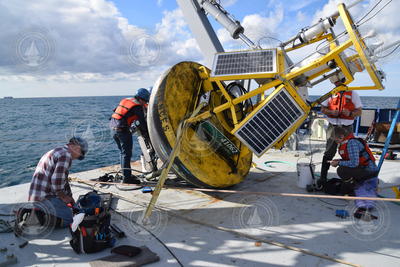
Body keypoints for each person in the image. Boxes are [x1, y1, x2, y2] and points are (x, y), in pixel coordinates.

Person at [28, 137, 88, 227]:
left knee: (69, 209)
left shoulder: (58, 151)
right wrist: (63, 197)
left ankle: (37, 212)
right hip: (43, 198)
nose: (76, 159)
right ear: (77, 148)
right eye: (79, 156)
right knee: (69, 218)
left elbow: (63, 181)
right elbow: (56, 182)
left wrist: (70, 198)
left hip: (36, 196)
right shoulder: (66, 156)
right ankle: (36, 219)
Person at [317, 88, 362, 188]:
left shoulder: (353, 93)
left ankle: (350, 179)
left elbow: (359, 112)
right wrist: (331, 112)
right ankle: (323, 177)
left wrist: (350, 114)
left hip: (347, 127)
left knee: (350, 152)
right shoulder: (330, 93)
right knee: (329, 152)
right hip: (332, 126)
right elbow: (322, 109)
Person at [330, 126, 379, 218]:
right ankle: (356, 188)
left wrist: (339, 163)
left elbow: (354, 163)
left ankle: (360, 188)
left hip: (368, 170)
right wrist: (339, 160)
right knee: (343, 187)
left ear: (341, 136)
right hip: (362, 168)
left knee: (341, 170)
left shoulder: (351, 143)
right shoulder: (347, 142)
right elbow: (352, 160)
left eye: (336, 140)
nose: (336, 142)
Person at [110, 88, 151, 184]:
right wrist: (147, 134)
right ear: (141, 99)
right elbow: (142, 122)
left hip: (113, 129)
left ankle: (125, 174)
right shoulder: (137, 106)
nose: (144, 103)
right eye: (144, 101)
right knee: (126, 154)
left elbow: (117, 112)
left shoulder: (126, 100)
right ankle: (127, 178)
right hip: (122, 130)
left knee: (123, 153)